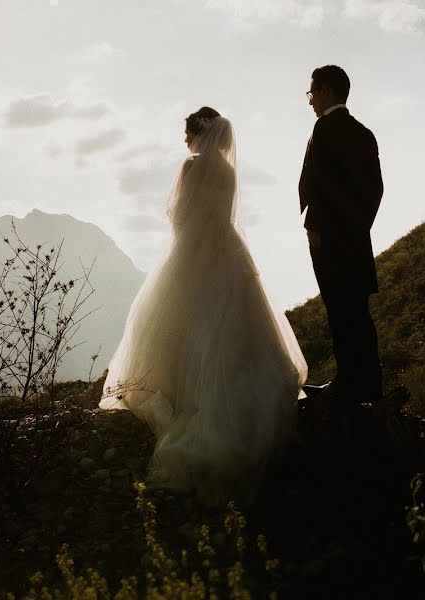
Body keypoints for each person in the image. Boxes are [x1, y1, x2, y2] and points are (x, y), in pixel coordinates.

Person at [99, 107, 308, 507]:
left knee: (178, 321)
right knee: (230, 327)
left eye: (185, 132)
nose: (183, 140)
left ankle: (179, 396)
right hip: (227, 251)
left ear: (196, 133)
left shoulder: (191, 166)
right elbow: (224, 214)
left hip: (193, 250)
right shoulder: (228, 172)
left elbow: (178, 215)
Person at [298, 65, 384, 415]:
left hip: (330, 240)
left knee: (339, 311)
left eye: (312, 93)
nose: (311, 101)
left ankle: (348, 386)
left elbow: (319, 182)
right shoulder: (364, 133)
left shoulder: (325, 129)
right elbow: (375, 189)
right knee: (358, 314)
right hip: (356, 241)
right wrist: (360, 226)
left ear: (329, 91)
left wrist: (316, 226)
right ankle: (368, 384)